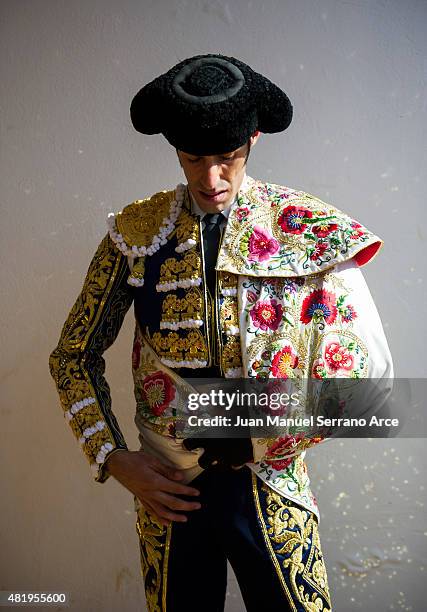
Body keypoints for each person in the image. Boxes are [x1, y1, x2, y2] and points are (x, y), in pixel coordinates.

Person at [49, 54, 393, 611]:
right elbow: (72, 357)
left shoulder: (304, 228)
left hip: (271, 483)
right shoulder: (136, 232)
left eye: (228, 158)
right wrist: (111, 457)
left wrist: (249, 422)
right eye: (193, 159)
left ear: (253, 140)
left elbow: (372, 385)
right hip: (167, 488)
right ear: (174, 150)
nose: (211, 180)